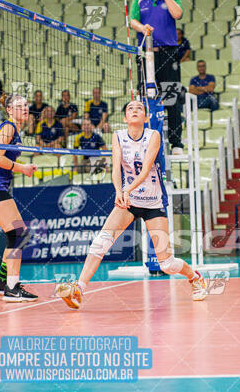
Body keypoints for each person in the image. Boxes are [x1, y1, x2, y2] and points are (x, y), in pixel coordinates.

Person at [55, 99, 208, 309]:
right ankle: (78, 289)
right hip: (130, 200)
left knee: (167, 264)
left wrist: (126, 189)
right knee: (101, 242)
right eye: (130, 108)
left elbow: (145, 170)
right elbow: (116, 167)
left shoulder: (153, 136)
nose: (134, 110)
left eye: (139, 108)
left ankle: (195, 277)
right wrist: (119, 191)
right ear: (126, 118)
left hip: (153, 201)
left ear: (146, 118)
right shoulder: (118, 136)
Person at [0, 94, 38, 301]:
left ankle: (1, 282)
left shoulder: (15, 130)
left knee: (17, 234)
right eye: (19, 106)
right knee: (19, 234)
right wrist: (24, 168)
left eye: (26, 105)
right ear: (9, 110)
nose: (25, 108)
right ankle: (12, 288)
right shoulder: (8, 127)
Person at [130, 0, 184, 155]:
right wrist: (143, 28)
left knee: (172, 96)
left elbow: (178, 14)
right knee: (145, 97)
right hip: (146, 54)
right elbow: (132, 22)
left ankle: (177, 143)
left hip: (168, 53)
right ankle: (145, 141)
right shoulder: (139, 1)